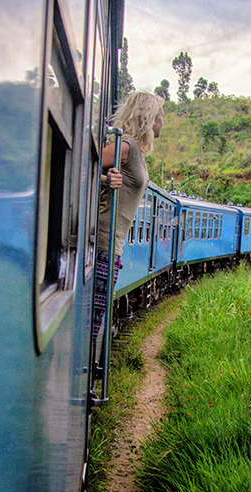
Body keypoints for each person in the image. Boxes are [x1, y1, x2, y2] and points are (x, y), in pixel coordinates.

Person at [92, 91, 164, 340]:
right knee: (93, 321)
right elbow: (81, 163)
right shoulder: (126, 147)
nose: (162, 122)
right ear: (148, 117)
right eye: (160, 116)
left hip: (113, 245)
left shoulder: (138, 154)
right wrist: (104, 179)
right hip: (103, 241)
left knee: (97, 316)